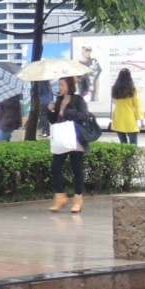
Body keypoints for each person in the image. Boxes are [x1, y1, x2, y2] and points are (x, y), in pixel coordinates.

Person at [46, 75, 92, 213]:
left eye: (62, 85)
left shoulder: (78, 99)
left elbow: (85, 115)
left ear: (69, 85)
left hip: (75, 138)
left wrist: (66, 111)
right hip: (61, 138)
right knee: (55, 168)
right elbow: (54, 120)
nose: (60, 87)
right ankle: (60, 197)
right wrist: (50, 109)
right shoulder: (59, 100)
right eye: (59, 85)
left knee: (77, 169)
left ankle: (78, 200)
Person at [109, 69, 143, 144]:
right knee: (133, 145)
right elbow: (137, 105)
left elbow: (114, 102)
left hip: (118, 117)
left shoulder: (114, 88)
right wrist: (141, 119)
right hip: (129, 118)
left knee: (123, 144)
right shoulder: (133, 89)